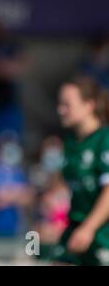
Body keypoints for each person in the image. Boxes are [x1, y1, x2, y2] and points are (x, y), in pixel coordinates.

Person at [54, 76, 109, 265]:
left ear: (89, 105)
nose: (60, 110)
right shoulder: (71, 144)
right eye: (59, 104)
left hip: (101, 232)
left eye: (67, 104)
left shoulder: (104, 140)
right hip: (76, 227)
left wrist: (89, 228)